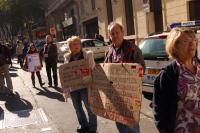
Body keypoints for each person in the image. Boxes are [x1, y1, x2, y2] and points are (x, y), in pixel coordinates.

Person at [153, 27, 200, 133]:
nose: (192, 43)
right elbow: (158, 108)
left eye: (193, 40)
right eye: (186, 41)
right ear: (175, 46)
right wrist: (163, 129)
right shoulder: (168, 74)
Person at [104, 22, 145, 133]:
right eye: (112, 33)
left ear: (122, 33)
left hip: (130, 94)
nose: (115, 35)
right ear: (109, 36)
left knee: (131, 125)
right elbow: (105, 69)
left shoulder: (133, 49)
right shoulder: (109, 51)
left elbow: (141, 70)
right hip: (115, 94)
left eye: (117, 32)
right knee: (120, 123)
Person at [63, 36, 97, 133]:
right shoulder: (67, 57)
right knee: (77, 107)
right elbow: (65, 73)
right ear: (70, 46)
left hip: (86, 85)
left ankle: (92, 128)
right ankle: (84, 125)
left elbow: (93, 68)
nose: (76, 46)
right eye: (73, 44)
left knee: (90, 107)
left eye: (78, 43)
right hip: (73, 87)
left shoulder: (88, 55)